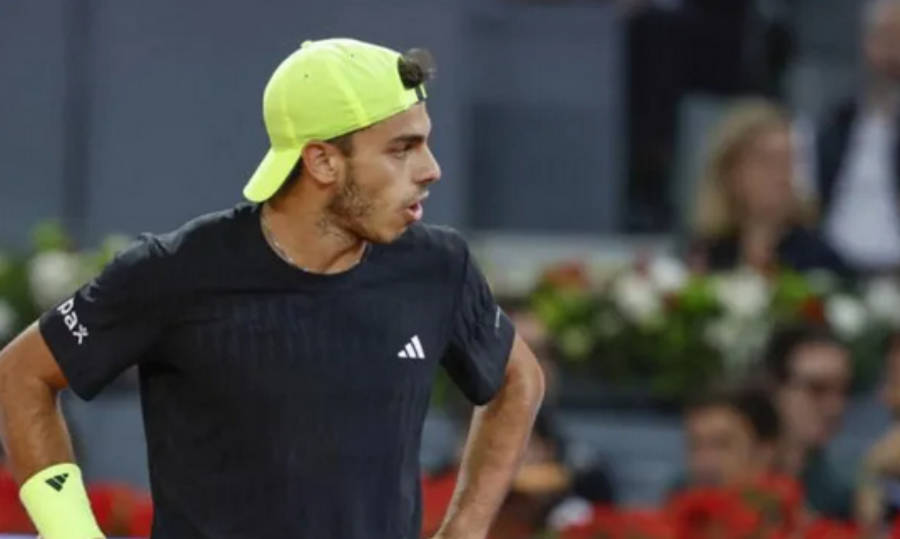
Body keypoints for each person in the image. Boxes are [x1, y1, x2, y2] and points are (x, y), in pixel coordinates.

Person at [0, 38, 545, 539]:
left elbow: (518, 381)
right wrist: (73, 534)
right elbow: (21, 374)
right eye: (402, 148)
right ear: (322, 161)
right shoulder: (176, 271)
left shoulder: (437, 266)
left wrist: (465, 529)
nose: (431, 169)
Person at [687, 99, 850, 278]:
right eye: (767, 162)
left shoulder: (819, 261)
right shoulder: (707, 254)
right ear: (731, 171)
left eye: (790, 162)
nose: (782, 176)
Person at [761, 323, 854, 520]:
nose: (834, 407)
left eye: (843, 390)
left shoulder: (845, 497)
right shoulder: (716, 478)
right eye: (816, 389)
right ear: (775, 388)